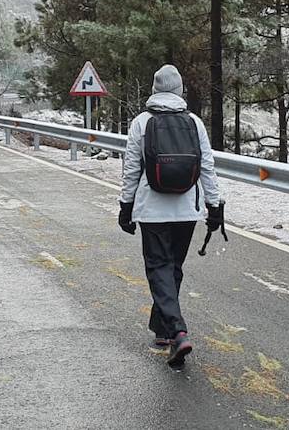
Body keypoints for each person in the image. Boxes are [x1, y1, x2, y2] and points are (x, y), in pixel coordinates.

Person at [117, 65, 223, 368]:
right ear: (180, 91)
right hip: (186, 208)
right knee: (172, 267)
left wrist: (126, 207)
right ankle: (162, 329)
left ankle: (177, 332)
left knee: (159, 268)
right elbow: (207, 169)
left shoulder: (141, 122)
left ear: (154, 89)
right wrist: (214, 206)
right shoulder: (195, 123)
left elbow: (132, 170)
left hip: (153, 209)